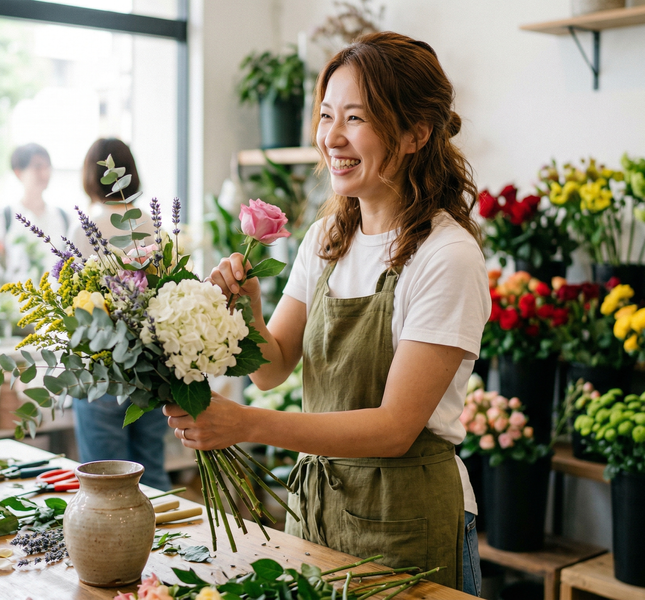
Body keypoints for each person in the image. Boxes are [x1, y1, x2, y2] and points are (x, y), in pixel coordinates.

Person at [164, 32, 489, 594]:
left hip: (406, 521)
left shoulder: (447, 256)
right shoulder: (326, 238)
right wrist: (250, 315)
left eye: (356, 118)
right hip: (315, 514)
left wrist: (245, 424)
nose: (331, 138)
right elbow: (273, 367)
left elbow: (393, 428)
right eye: (325, 115)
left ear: (417, 133)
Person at [69, 138, 172, 492]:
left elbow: (70, 308)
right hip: (152, 369)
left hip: (101, 372)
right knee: (152, 475)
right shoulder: (154, 228)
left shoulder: (84, 230)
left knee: (106, 486)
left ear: (90, 178)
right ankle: (167, 545)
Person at [0, 143, 70, 287]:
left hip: (58, 306)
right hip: (16, 306)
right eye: (37, 167)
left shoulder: (63, 218)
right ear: (18, 172)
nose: (44, 173)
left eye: (47, 167)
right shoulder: (4, 219)